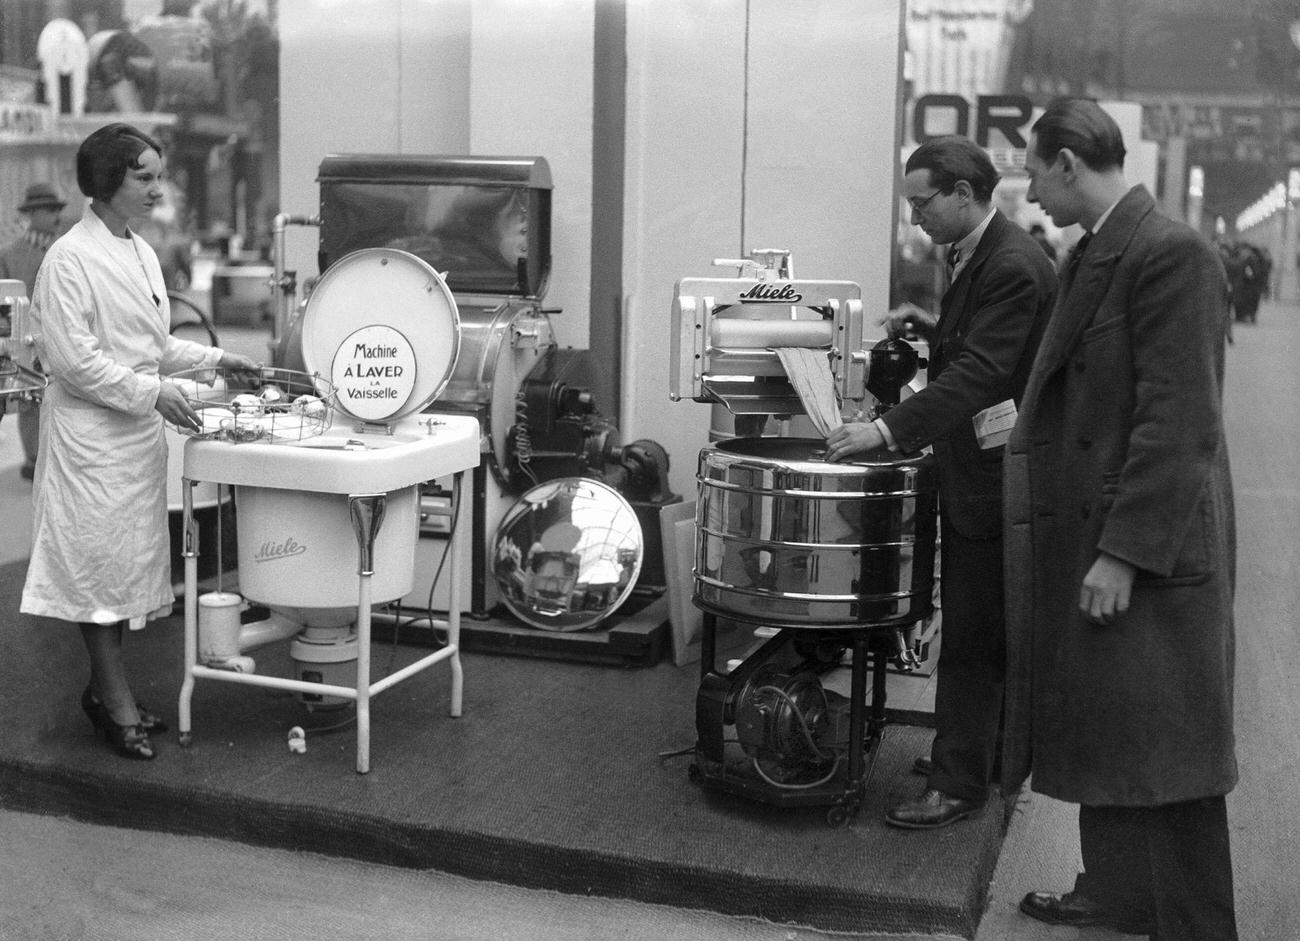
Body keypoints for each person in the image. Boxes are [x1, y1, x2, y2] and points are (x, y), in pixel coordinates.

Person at [1005, 98, 1238, 939]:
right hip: (1103, 534)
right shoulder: (1101, 250)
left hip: (1150, 551)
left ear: (1068, 164)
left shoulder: (1171, 254)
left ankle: (1197, 923)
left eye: (1034, 169)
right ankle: (1117, 892)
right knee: (1111, 730)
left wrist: (1125, 554)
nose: (1027, 186)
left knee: (1167, 755)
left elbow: (1179, 422)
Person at [824, 135, 1056, 829]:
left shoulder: (1012, 262)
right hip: (977, 468)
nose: (915, 216)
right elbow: (982, 350)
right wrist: (931, 329)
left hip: (995, 479)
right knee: (976, 626)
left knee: (974, 633)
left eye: (922, 202)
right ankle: (975, 756)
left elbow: (984, 373)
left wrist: (887, 431)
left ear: (962, 192)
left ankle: (959, 782)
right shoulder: (980, 253)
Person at [19, 123, 257, 761]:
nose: (159, 188)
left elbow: (152, 348)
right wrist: (152, 393)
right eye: (144, 177)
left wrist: (217, 358)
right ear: (105, 182)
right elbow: (75, 363)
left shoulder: (141, 253)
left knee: (121, 575)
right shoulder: (69, 260)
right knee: (96, 575)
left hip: (132, 444)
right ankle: (115, 700)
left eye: (159, 175)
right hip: (90, 443)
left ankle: (104, 692)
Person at [0, 182, 67, 480]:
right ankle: (33, 458)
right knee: (28, 398)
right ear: (33, 213)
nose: (55, 216)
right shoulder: (10, 254)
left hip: (64, 338)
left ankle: (56, 456)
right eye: (49, 210)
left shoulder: (67, 249)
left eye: (57, 210)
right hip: (25, 340)